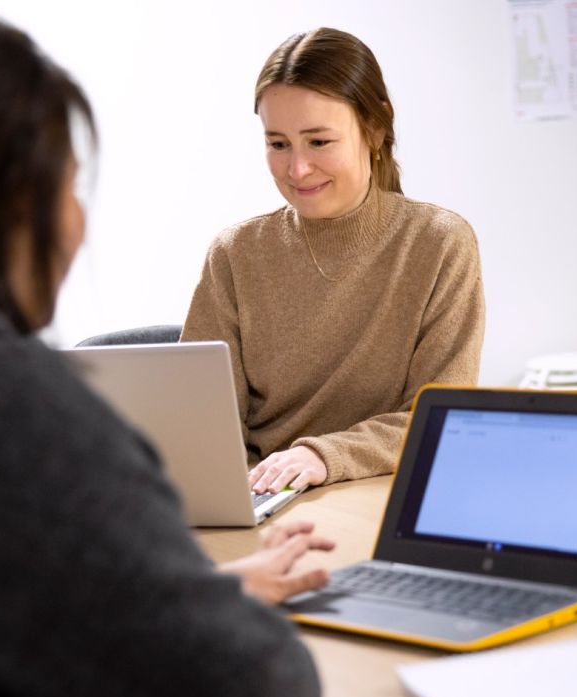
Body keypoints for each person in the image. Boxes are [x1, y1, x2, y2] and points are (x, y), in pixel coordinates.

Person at [0, 10, 335, 697]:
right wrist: (188, 605)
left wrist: (183, 594)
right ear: (9, 206)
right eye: (66, 184)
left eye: (317, 140)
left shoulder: (435, 241)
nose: (79, 221)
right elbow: (257, 696)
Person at [181, 27, 485, 496]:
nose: (297, 169)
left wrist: (321, 456)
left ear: (376, 128)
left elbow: (442, 418)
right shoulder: (235, 254)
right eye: (278, 144)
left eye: (319, 142)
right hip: (267, 501)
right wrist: (242, 496)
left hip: (383, 496)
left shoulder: (439, 244)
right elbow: (200, 424)